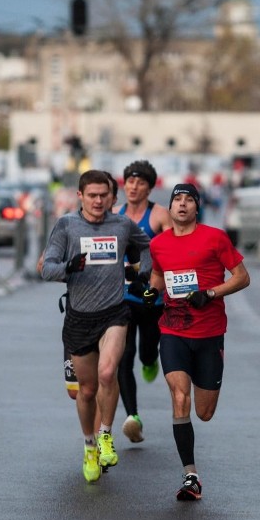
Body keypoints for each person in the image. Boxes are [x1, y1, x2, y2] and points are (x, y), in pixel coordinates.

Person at [40, 170, 152, 484]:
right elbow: (46, 269)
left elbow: (148, 248)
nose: (98, 200)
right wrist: (68, 268)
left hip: (114, 313)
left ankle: (105, 435)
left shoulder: (122, 224)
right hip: (79, 318)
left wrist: (144, 273)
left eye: (104, 195)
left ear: (111, 197)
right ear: (81, 196)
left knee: (107, 373)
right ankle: (89, 445)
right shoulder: (66, 225)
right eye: (92, 195)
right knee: (86, 391)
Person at [142, 183, 250, 501]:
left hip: (209, 334)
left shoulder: (215, 238)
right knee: (179, 397)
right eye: (177, 199)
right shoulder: (159, 243)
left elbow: (242, 276)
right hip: (173, 332)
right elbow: (159, 276)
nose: (182, 204)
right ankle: (191, 476)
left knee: (204, 412)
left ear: (197, 208)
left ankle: (191, 471)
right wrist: (152, 291)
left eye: (189, 200)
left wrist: (211, 293)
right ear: (171, 207)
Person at [115, 160, 172, 443]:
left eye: (140, 183)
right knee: (123, 357)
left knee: (147, 352)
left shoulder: (160, 215)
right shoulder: (116, 214)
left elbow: (175, 249)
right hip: (122, 297)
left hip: (152, 298)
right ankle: (132, 417)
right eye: (129, 182)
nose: (133, 187)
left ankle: (150, 361)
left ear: (149, 187)